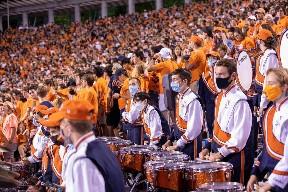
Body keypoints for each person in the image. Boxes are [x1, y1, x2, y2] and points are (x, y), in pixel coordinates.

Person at [199, 59, 252, 184]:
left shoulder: (240, 101)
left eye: (222, 74)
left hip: (234, 157)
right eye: (216, 74)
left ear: (233, 76)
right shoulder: (220, 96)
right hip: (219, 152)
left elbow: (239, 138)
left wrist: (219, 154)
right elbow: (217, 127)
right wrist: (208, 147)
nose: (218, 78)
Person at [53, 100, 124, 192]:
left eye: (60, 127)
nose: (60, 135)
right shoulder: (102, 147)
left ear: (68, 128)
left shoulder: (82, 158)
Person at [247, 68, 288, 192]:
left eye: (271, 83)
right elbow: (267, 148)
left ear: (284, 87)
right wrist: (255, 172)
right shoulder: (270, 111)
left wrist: (272, 182)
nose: (266, 88)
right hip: (274, 178)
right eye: (266, 83)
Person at [162, 68, 203, 160]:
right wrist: (170, 140)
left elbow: (194, 129)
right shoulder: (179, 96)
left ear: (184, 81)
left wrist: (178, 144)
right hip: (182, 141)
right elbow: (178, 122)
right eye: (172, 80)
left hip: (191, 144)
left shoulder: (193, 100)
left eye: (175, 79)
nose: (172, 83)